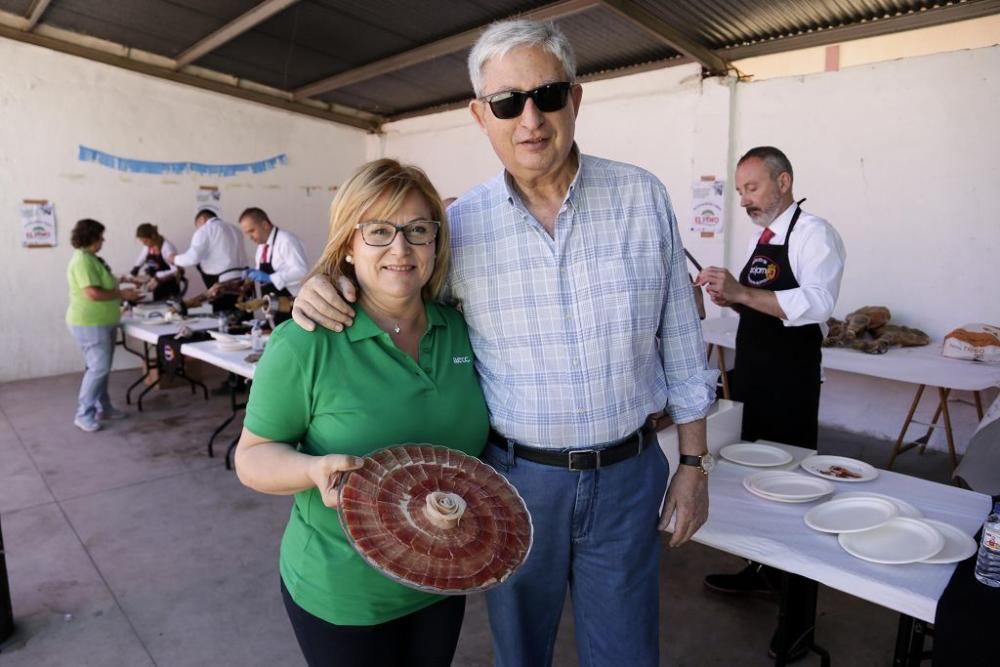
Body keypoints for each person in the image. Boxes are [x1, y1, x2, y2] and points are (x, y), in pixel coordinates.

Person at [292, 19, 718, 667]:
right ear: (479, 115)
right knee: (520, 653)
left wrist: (693, 465)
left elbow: (684, 345)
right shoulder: (458, 229)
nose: (530, 118)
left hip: (630, 475)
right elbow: (393, 294)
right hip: (512, 483)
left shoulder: (641, 197)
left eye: (548, 96)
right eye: (507, 102)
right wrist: (322, 284)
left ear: (574, 100)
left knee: (628, 652)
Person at [234, 159, 489, 667]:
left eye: (418, 229)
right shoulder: (305, 343)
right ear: (348, 244)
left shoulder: (461, 328)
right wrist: (311, 469)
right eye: (378, 231)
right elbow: (252, 457)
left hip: (439, 582)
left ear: (436, 242)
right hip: (343, 593)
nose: (401, 248)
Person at [696, 146, 846, 661]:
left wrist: (742, 293)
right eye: (739, 191)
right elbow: (756, 299)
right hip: (755, 378)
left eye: (752, 188)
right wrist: (729, 295)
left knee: (795, 492)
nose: (744, 200)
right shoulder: (766, 239)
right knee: (752, 483)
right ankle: (763, 571)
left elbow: (817, 303)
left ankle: (799, 618)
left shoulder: (813, 234)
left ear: (783, 182)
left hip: (791, 383)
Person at [65, 219, 137, 432]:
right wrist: (123, 294)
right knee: (98, 368)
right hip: (90, 322)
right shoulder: (82, 261)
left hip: (101, 321)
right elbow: (92, 293)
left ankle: (103, 407)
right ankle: (83, 414)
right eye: (100, 237)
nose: (103, 240)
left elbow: (103, 282)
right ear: (91, 238)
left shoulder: (91, 259)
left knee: (99, 367)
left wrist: (123, 279)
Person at [238, 207, 309, 323]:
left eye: (252, 231)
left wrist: (270, 278)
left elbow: (302, 272)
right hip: (275, 307)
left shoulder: (287, 241)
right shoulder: (261, 247)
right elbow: (261, 273)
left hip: (294, 307)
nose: (250, 237)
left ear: (265, 225)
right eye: (247, 233)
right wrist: (251, 275)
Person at [173, 209, 247, 312]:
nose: (197, 229)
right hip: (242, 278)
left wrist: (175, 259)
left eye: (197, 225)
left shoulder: (205, 230)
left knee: (223, 315)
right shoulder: (235, 229)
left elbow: (193, 258)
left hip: (219, 281)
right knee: (242, 312)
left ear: (202, 219)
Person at [126, 223, 181, 301]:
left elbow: (176, 270)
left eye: (145, 241)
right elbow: (140, 260)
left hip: (169, 287)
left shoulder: (167, 248)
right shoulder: (148, 246)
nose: (144, 244)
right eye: (142, 241)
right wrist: (133, 274)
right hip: (155, 285)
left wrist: (158, 278)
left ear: (153, 236)